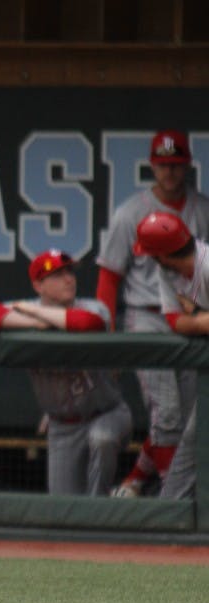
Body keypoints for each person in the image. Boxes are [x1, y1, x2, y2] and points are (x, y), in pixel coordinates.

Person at [96, 130, 209, 497]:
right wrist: (109, 339)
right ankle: (172, 497)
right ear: (151, 166)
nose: (170, 173)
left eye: (175, 165)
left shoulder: (203, 210)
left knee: (191, 416)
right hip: (146, 316)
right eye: (163, 165)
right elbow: (109, 279)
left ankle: (136, 480)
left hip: (190, 316)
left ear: (188, 165)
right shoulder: (130, 213)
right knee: (168, 415)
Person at [0, 249, 133, 496]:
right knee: (62, 508)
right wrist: (33, 323)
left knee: (102, 439)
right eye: (58, 274)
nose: (69, 279)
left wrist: (37, 314)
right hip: (63, 425)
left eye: (69, 271)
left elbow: (86, 323)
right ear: (38, 285)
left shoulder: (93, 307)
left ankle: (99, 513)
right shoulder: (27, 311)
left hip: (107, 413)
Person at [132, 211, 209, 499]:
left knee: (193, 442)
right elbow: (175, 321)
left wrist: (198, 316)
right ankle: (170, 513)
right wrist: (203, 320)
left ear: (162, 255)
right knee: (192, 444)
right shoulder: (168, 272)